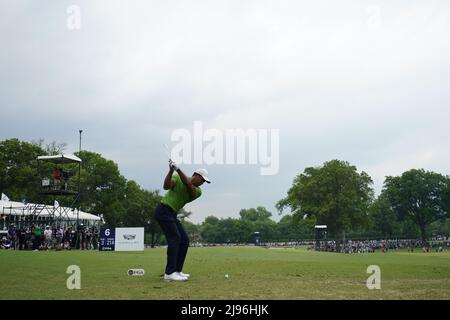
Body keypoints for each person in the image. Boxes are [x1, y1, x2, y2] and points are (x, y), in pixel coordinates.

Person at [155, 159, 210, 281]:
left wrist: (178, 169)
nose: (203, 183)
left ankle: (177, 271)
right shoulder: (177, 177)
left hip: (172, 214)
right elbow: (166, 186)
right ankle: (169, 273)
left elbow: (188, 185)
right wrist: (170, 171)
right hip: (163, 210)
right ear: (196, 175)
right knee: (175, 238)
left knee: (184, 240)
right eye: (202, 180)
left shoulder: (198, 191)